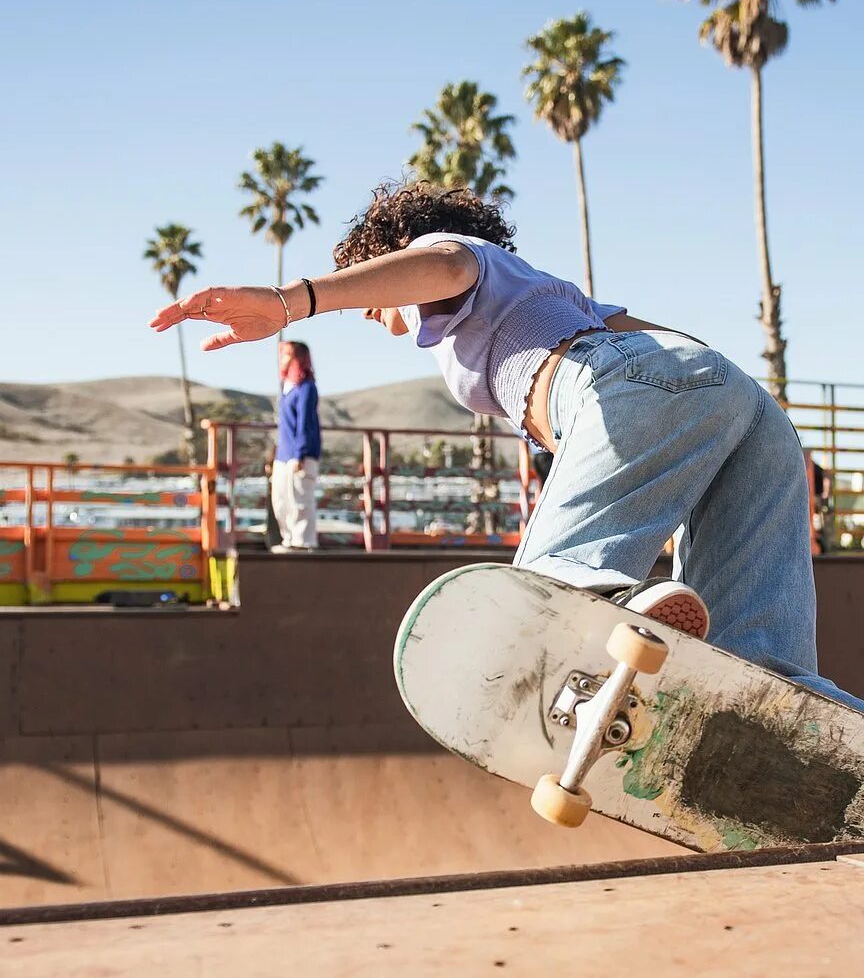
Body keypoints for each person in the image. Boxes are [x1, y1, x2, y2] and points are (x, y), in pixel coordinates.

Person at [150, 182, 864, 712]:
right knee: (762, 668)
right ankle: (805, 713)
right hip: (733, 397)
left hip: (634, 386)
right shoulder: (558, 293)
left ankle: (604, 608)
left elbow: (446, 264)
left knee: (549, 590)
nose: (367, 309)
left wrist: (290, 302)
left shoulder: (464, 262)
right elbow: (688, 363)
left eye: (371, 285)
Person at [270, 341, 321, 552]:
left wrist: (300, 454)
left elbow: (305, 423)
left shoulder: (306, 388)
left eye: (286, 354)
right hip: (283, 455)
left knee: (300, 500)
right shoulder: (286, 389)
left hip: (300, 454)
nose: (281, 358)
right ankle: (289, 539)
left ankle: (303, 542)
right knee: (281, 500)